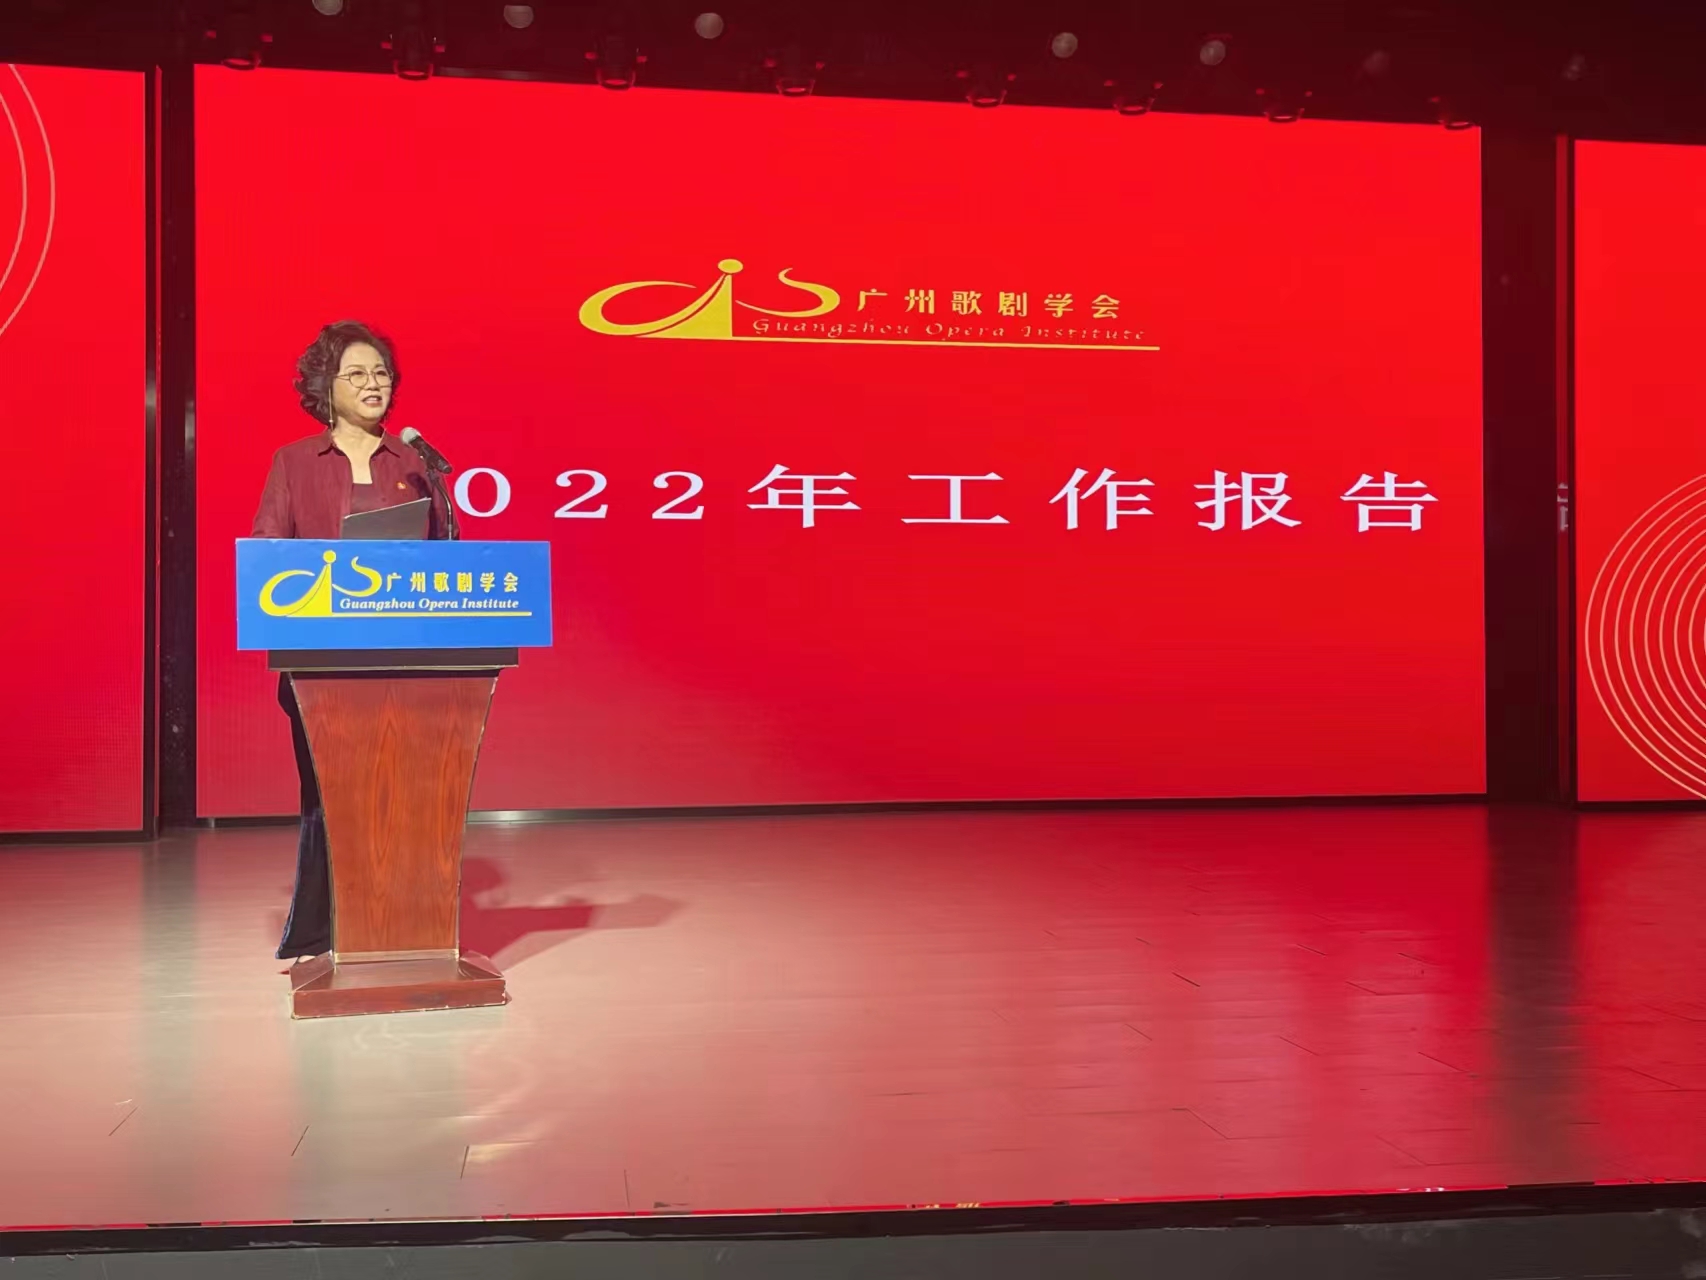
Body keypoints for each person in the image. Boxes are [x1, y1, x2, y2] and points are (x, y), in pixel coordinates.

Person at [253, 321, 447, 961]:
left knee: (405, 794)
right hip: (322, 661)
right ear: (325, 387)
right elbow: (267, 553)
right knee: (330, 797)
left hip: (406, 658)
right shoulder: (293, 461)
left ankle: (405, 925)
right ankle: (328, 930)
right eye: (357, 373)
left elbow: (445, 557)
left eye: (381, 373)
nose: (373, 384)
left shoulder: (415, 462)